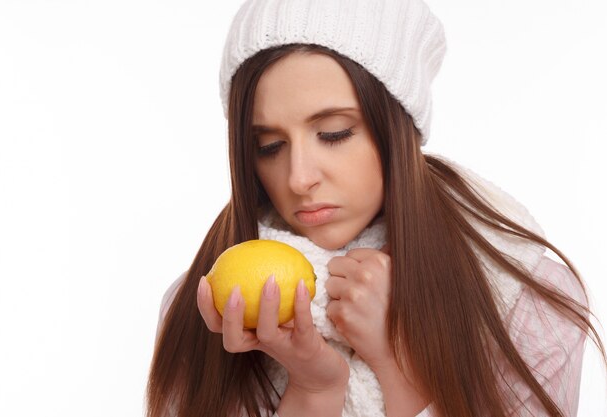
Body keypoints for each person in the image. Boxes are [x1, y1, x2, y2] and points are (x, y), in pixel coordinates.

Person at [145, 0, 607, 416]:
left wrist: (397, 366)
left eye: (334, 134)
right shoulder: (202, 307)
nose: (298, 177)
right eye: (269, 145)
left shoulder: (526, 301)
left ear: (398, 129)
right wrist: (313, 390)